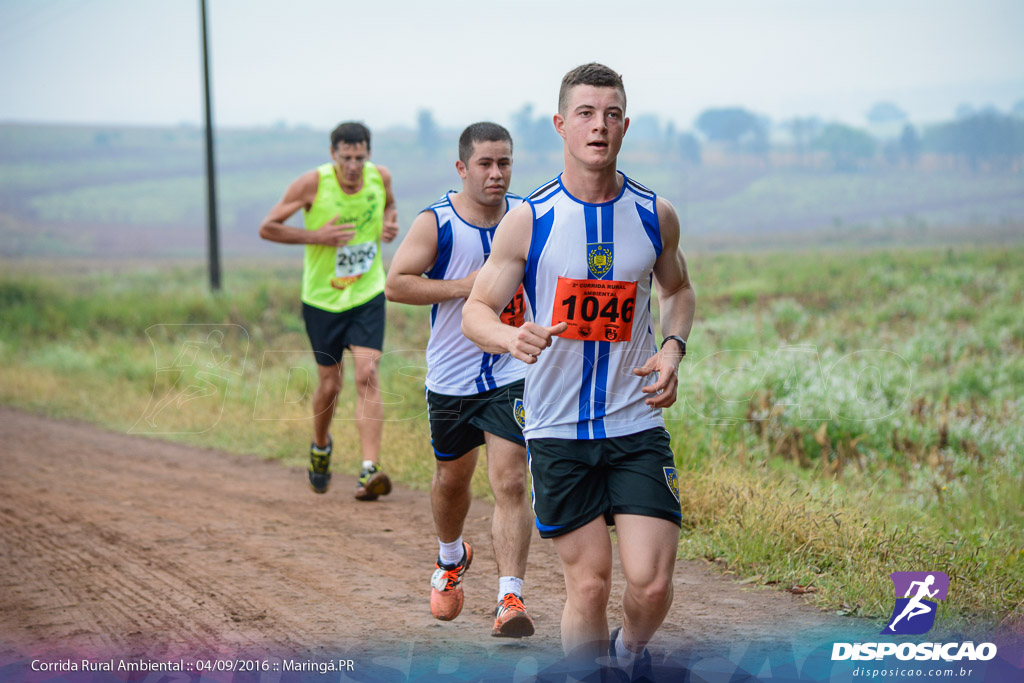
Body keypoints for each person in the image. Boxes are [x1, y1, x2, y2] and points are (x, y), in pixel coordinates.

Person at [461, 64, 696, 676]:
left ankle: (628, 651)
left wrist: (672, 349)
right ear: (562, 125)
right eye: (586, 114)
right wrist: (512, 335)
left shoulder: (654, 214)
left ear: (625, 124)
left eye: (612, 114)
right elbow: (477, 311)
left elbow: (678, 290)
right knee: (587, 587)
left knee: (649, 585)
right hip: (558, 430)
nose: (600, 126)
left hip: (634, 422)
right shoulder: (530, 219)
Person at [384, 122, 535, 638]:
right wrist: (464, 288)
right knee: (452, 480)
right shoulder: (438, 222)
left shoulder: (527, 217)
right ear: (462, 168)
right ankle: (451, 559)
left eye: (505, 163)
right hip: (451, 377)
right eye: (486, 164)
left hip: (512, 369)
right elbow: (396, 285)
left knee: (511, 481)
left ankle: (509, 597)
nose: (496, 174)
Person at [259, 121, 398, 501]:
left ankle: (369, 470)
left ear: (369, 154)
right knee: (330, 385)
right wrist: (315, 236)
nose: (353, 165)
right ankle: (321, 446)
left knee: (367, 374)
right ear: (332, 154)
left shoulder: (379, 177)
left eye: (360, 157)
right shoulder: (312, 185)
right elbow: (268, 227)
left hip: (367, 291)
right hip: (322, 300)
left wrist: (389, 223)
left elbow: (389, 206)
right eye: (346, 157)